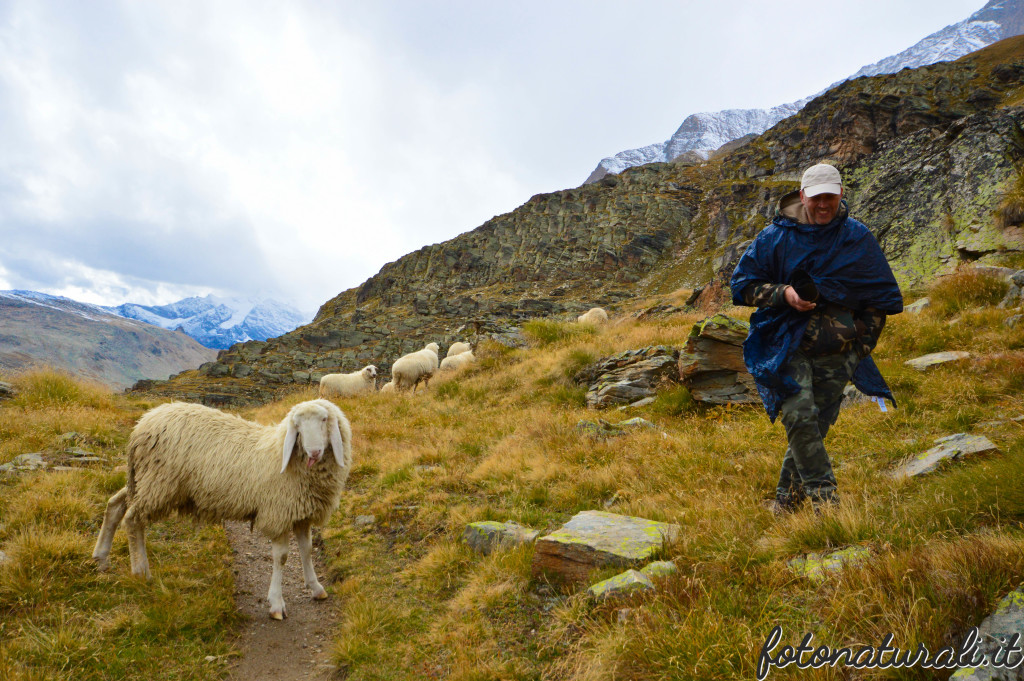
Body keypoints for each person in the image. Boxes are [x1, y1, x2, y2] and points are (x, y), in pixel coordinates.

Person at [730, 163, 903, 513]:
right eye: (817, 198)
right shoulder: (774, 238)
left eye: (831, 197)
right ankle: (828, 505)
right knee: (798, 415)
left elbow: (880, 298)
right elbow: (742, 286)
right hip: (785, 343)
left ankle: (785, 502)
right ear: (803, 196)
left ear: (840, 194)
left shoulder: (856, 237)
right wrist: (785, 294)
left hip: (838, 350)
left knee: (816, 423)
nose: (824, 204)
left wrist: (860, 348)